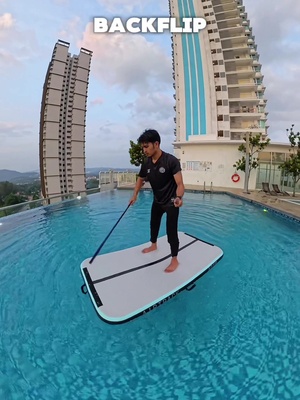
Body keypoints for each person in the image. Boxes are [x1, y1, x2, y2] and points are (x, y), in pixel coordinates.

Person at [129, 129, 185, 273]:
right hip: (158, 201)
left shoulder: (170, 161)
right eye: (143, 147)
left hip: (171, 201)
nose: (144, 150)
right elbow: (140, 179)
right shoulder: (146, 163)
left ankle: (174, 259)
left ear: (156, 144)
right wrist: (134, 195)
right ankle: (153, 244)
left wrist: (178, 198)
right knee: (153, 224)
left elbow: (180, 184)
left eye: (146, 146)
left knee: (171, 231)